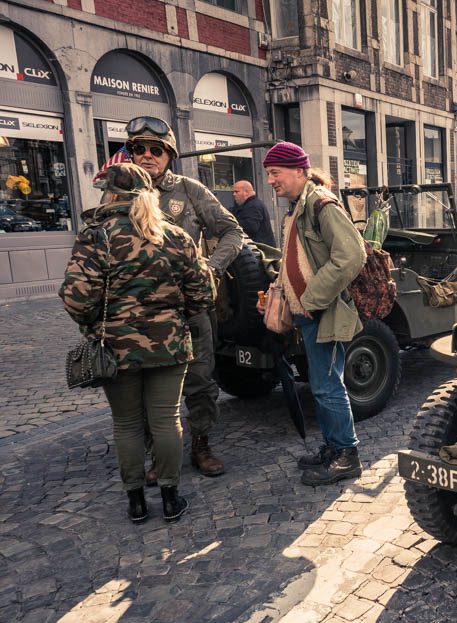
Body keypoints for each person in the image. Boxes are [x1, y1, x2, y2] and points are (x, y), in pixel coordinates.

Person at [60, 163, 215, 523]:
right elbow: (204, 294)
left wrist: (94, 324)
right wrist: (177, 315)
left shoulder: (96, 235)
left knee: (127, 423)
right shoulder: (176, 236)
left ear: (110, 194)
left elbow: (76, 298)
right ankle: (171, 498)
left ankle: (136, 503)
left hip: (115, 348)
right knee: (166, 419)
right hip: (170, 346)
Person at [126, 116, 242, 479]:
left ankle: (201, 445)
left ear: (169, 155)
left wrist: (209, 269)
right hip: (141, 312)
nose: (147, 156)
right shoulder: (121, 193)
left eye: (155, 150)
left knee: (201, 380)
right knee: (149, 384)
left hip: (190, 308)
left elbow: (232, 233)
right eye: (139, 149)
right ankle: (159, 455)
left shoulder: (190, 191)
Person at [261, 142, 367, 486]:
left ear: (299, 170)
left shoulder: (322, 204)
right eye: (268, 174)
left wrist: (311, 298)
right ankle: (333, 448)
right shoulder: (299, 206)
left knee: (327, 387)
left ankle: (347, 457)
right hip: (310, 312)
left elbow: (352, 256)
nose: (271, 181)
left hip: (324, 311)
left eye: (276, 173)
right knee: (322, 387)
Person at [231, 180, 275, 247]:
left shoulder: (253, 206)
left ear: (247, 192)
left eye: (237, 191)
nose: (234, 194)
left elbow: (249, 228)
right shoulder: (246, 205)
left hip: (259, 251)